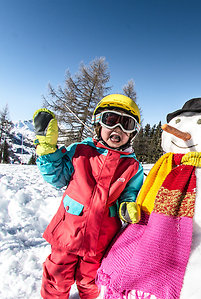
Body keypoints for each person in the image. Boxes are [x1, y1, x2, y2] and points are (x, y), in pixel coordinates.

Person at [33, 94, 144, 299]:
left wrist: (127, 206)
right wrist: (48, 151)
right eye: (111, 120)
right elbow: (57, 176)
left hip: (101, 238)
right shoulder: (81, 151)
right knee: (57, 275)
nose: (118, 129)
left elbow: (130, 193)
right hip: (68, 231)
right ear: (98, 124)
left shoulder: (132, 166)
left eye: (126, 124)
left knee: (91, 280)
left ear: (132, 132)